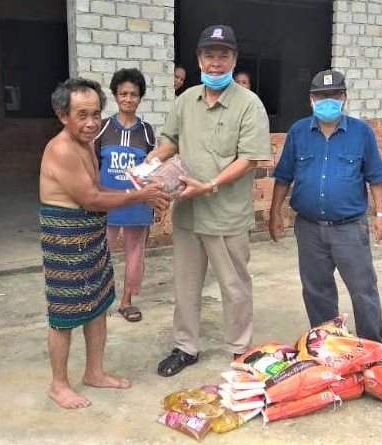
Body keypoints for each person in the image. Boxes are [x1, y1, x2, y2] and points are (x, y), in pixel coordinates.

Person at [147, 24, 272, 377]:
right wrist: (149, 165)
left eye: (223, 56)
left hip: (226, 215)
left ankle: (240, 349)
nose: (216, 62)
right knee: (185, 286)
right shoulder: (186, 100)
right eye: (209, 55)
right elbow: (170, 141)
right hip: (188, 212)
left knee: (234, 286)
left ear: (234, 59)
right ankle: (185, 346)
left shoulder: (249, 105)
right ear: (199, 58)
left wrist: (210, 185)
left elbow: (249, 158)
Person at [39, 78, 170, 408]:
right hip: (66, 241)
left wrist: (143, 193)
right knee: (64, 315)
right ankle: (58, 384)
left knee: (98, 306)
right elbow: (91, 199)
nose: (91, 123)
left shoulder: (86, 144)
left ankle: (94, 372)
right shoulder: (62, 149)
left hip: (92, 237)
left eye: (96, 114)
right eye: (82, 115)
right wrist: (140, 196)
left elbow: (99, 190)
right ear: (63, 115)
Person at [269, 69, 382, 344]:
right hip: (309, 228)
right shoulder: (299, 132)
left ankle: (374, 346)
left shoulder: (361, 132)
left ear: (344, 97)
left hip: (349, 229)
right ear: (311, 99)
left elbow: (376, 177)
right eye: (321, 96)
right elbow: (283, 177)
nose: (327, 101)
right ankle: (326, 343)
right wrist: (275, 213)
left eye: (334, 95)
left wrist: (381, 215)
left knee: (363, 289)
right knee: (316, 290)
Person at [95, 68, 155, 323]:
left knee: (135, 252)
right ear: (115, 96)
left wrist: (154, 198)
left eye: (133, 94)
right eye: (123, 94)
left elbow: (152, 169)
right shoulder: (102, 128)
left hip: (137, 205)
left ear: (140, 98)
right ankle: (98, 300)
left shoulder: (147, 131)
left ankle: (127, 301)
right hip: (106, 202)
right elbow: (92, 165)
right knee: (100, 253)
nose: (128, 99)